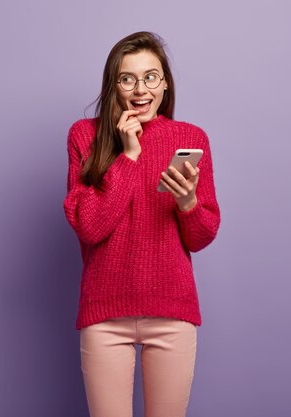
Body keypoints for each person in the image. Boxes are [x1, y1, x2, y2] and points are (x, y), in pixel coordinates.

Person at [62, 31, 221, 417]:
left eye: (151, 77)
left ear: (165, 82)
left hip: (171, 312)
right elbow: (89, 227)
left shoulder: (190, 137)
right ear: (113, 85)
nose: (140, 89)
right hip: (105, 314)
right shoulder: (86, 136)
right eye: (127, 78)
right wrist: (129, 156)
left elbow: (201, 237)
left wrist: (187, 203)